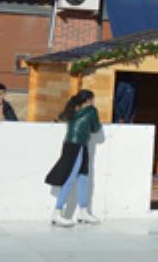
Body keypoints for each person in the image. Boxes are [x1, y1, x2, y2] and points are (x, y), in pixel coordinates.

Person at [44, 89, 102, 226]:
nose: (94, 102)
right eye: (93, 99)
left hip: (73, 144)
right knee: (70, 177)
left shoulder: (72, 108)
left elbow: (61, 116)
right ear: (88, 100)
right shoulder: (91, 110)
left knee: (83, 177)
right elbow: (96, 128)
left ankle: (83, 211)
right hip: (77, 145)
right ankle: (57, 212)